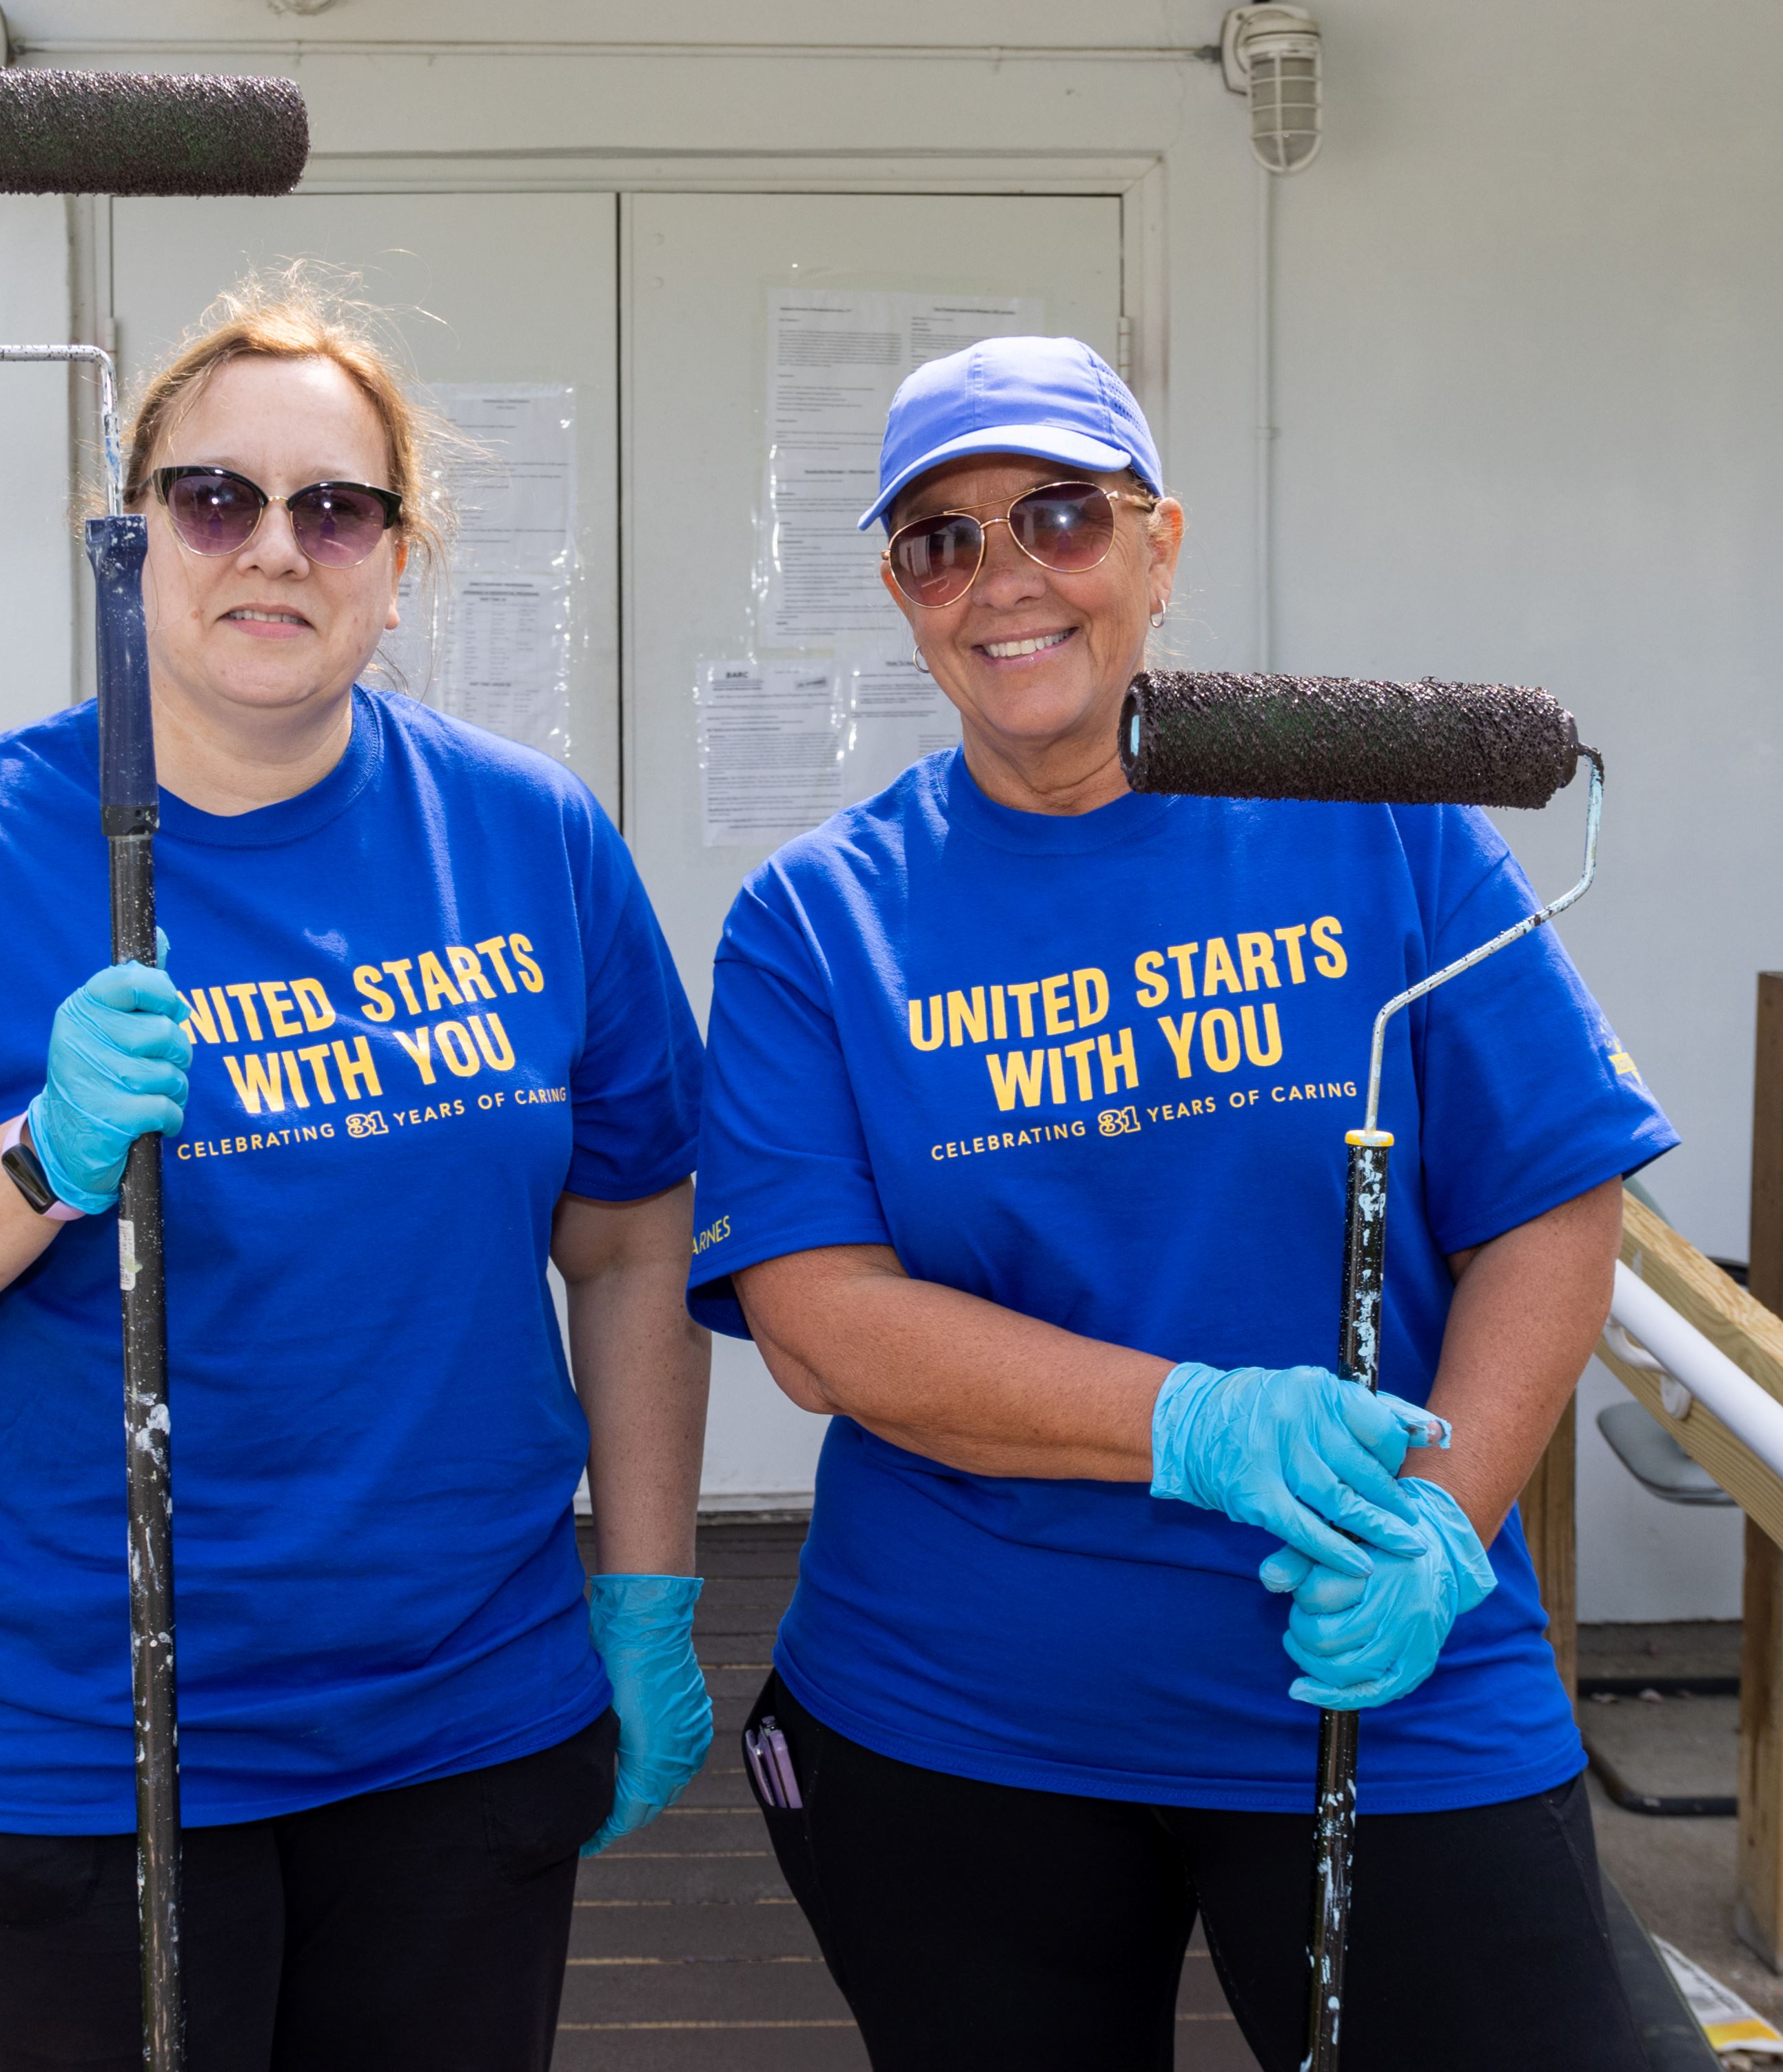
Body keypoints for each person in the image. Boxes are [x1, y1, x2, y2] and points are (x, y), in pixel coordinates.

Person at [0, 273, 715, 2072]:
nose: (276, 547)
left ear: (397, 557)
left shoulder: (526, 836)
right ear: (130, 544)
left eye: (334, 507)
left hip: (454, 1731)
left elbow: (636, 1237)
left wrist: (647, 1592)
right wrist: (34, 1161)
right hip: (71, 1747)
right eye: (216, 498)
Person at [689, 336, 1676, 2072]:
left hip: (1380, 1683)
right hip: (963, 1718)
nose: (1003, 579)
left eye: (1060, 517)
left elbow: (1552, 1201)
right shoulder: (819, 917)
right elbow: (819, 1324)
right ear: (904, 594)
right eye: (941, 541)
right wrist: (1198, 1425)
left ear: (1160, 545)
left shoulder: (1380, 825)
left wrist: (1441, 1521)